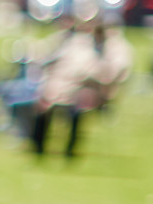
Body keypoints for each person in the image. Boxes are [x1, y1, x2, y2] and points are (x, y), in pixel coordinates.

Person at [31, 21, 132, 157]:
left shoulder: (116, 47)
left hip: (89, 91)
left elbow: (112, 76)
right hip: (65, 87)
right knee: (44, 103)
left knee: (78, 104)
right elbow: (53, 63)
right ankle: (38, 148)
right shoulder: (77, 43)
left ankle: (69, 150)